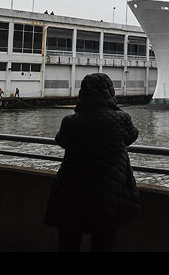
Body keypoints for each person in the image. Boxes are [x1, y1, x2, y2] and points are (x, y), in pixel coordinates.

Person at [44, 73, 142, 252]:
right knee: (103, 242)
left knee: (68, 241)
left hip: (72, 189)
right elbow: (131, 136)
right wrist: (115, 110)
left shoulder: (70, 122)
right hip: (109, 190)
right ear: (110, 92)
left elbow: (61, 140)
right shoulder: (122, 119)